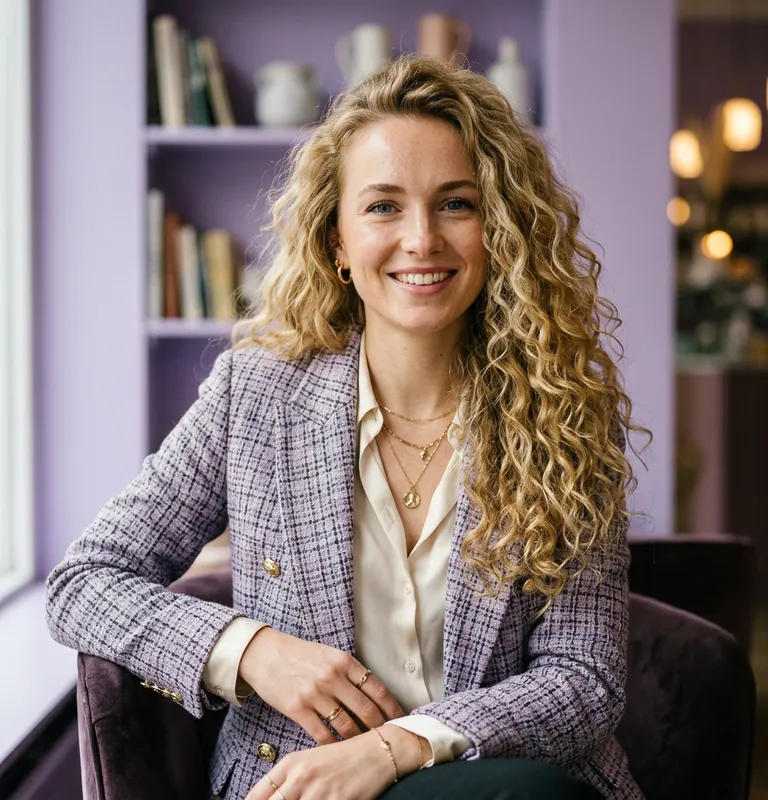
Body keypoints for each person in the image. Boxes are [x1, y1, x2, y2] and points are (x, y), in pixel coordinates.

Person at [45, 56, 649, 800]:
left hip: (502, 785)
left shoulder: (565, 413)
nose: (422, 239)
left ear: (500, 230)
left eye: (457, 203)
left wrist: (399, 747)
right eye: (384, 207)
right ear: (337, 242)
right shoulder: (256, 395)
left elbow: (583, 680)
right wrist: (253, 650)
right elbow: (83, 583)